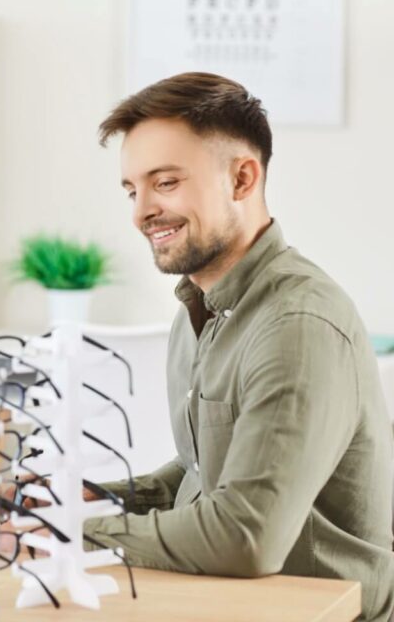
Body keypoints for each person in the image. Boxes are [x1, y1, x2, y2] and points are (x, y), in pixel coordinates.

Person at [86, 72, 394, 622]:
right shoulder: (198, 308)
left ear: (243, 178)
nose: (141, 212)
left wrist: (75, 531)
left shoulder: (297, 323)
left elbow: (244, 537)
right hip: (228, 605)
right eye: (133, 190)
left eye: (166, 183)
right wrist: (85, 499)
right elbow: (204, 470)